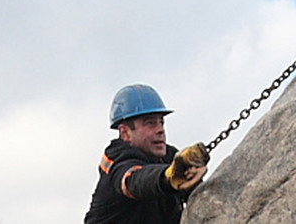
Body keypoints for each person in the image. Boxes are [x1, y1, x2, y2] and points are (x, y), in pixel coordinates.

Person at [84, 84, 209, 224]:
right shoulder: (116, 159)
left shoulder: (169, 157)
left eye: (161, 122)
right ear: (125, 133)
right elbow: (134, 180)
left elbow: (201, 196)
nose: (160, 130)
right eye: (150, 123)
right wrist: (166, 177)